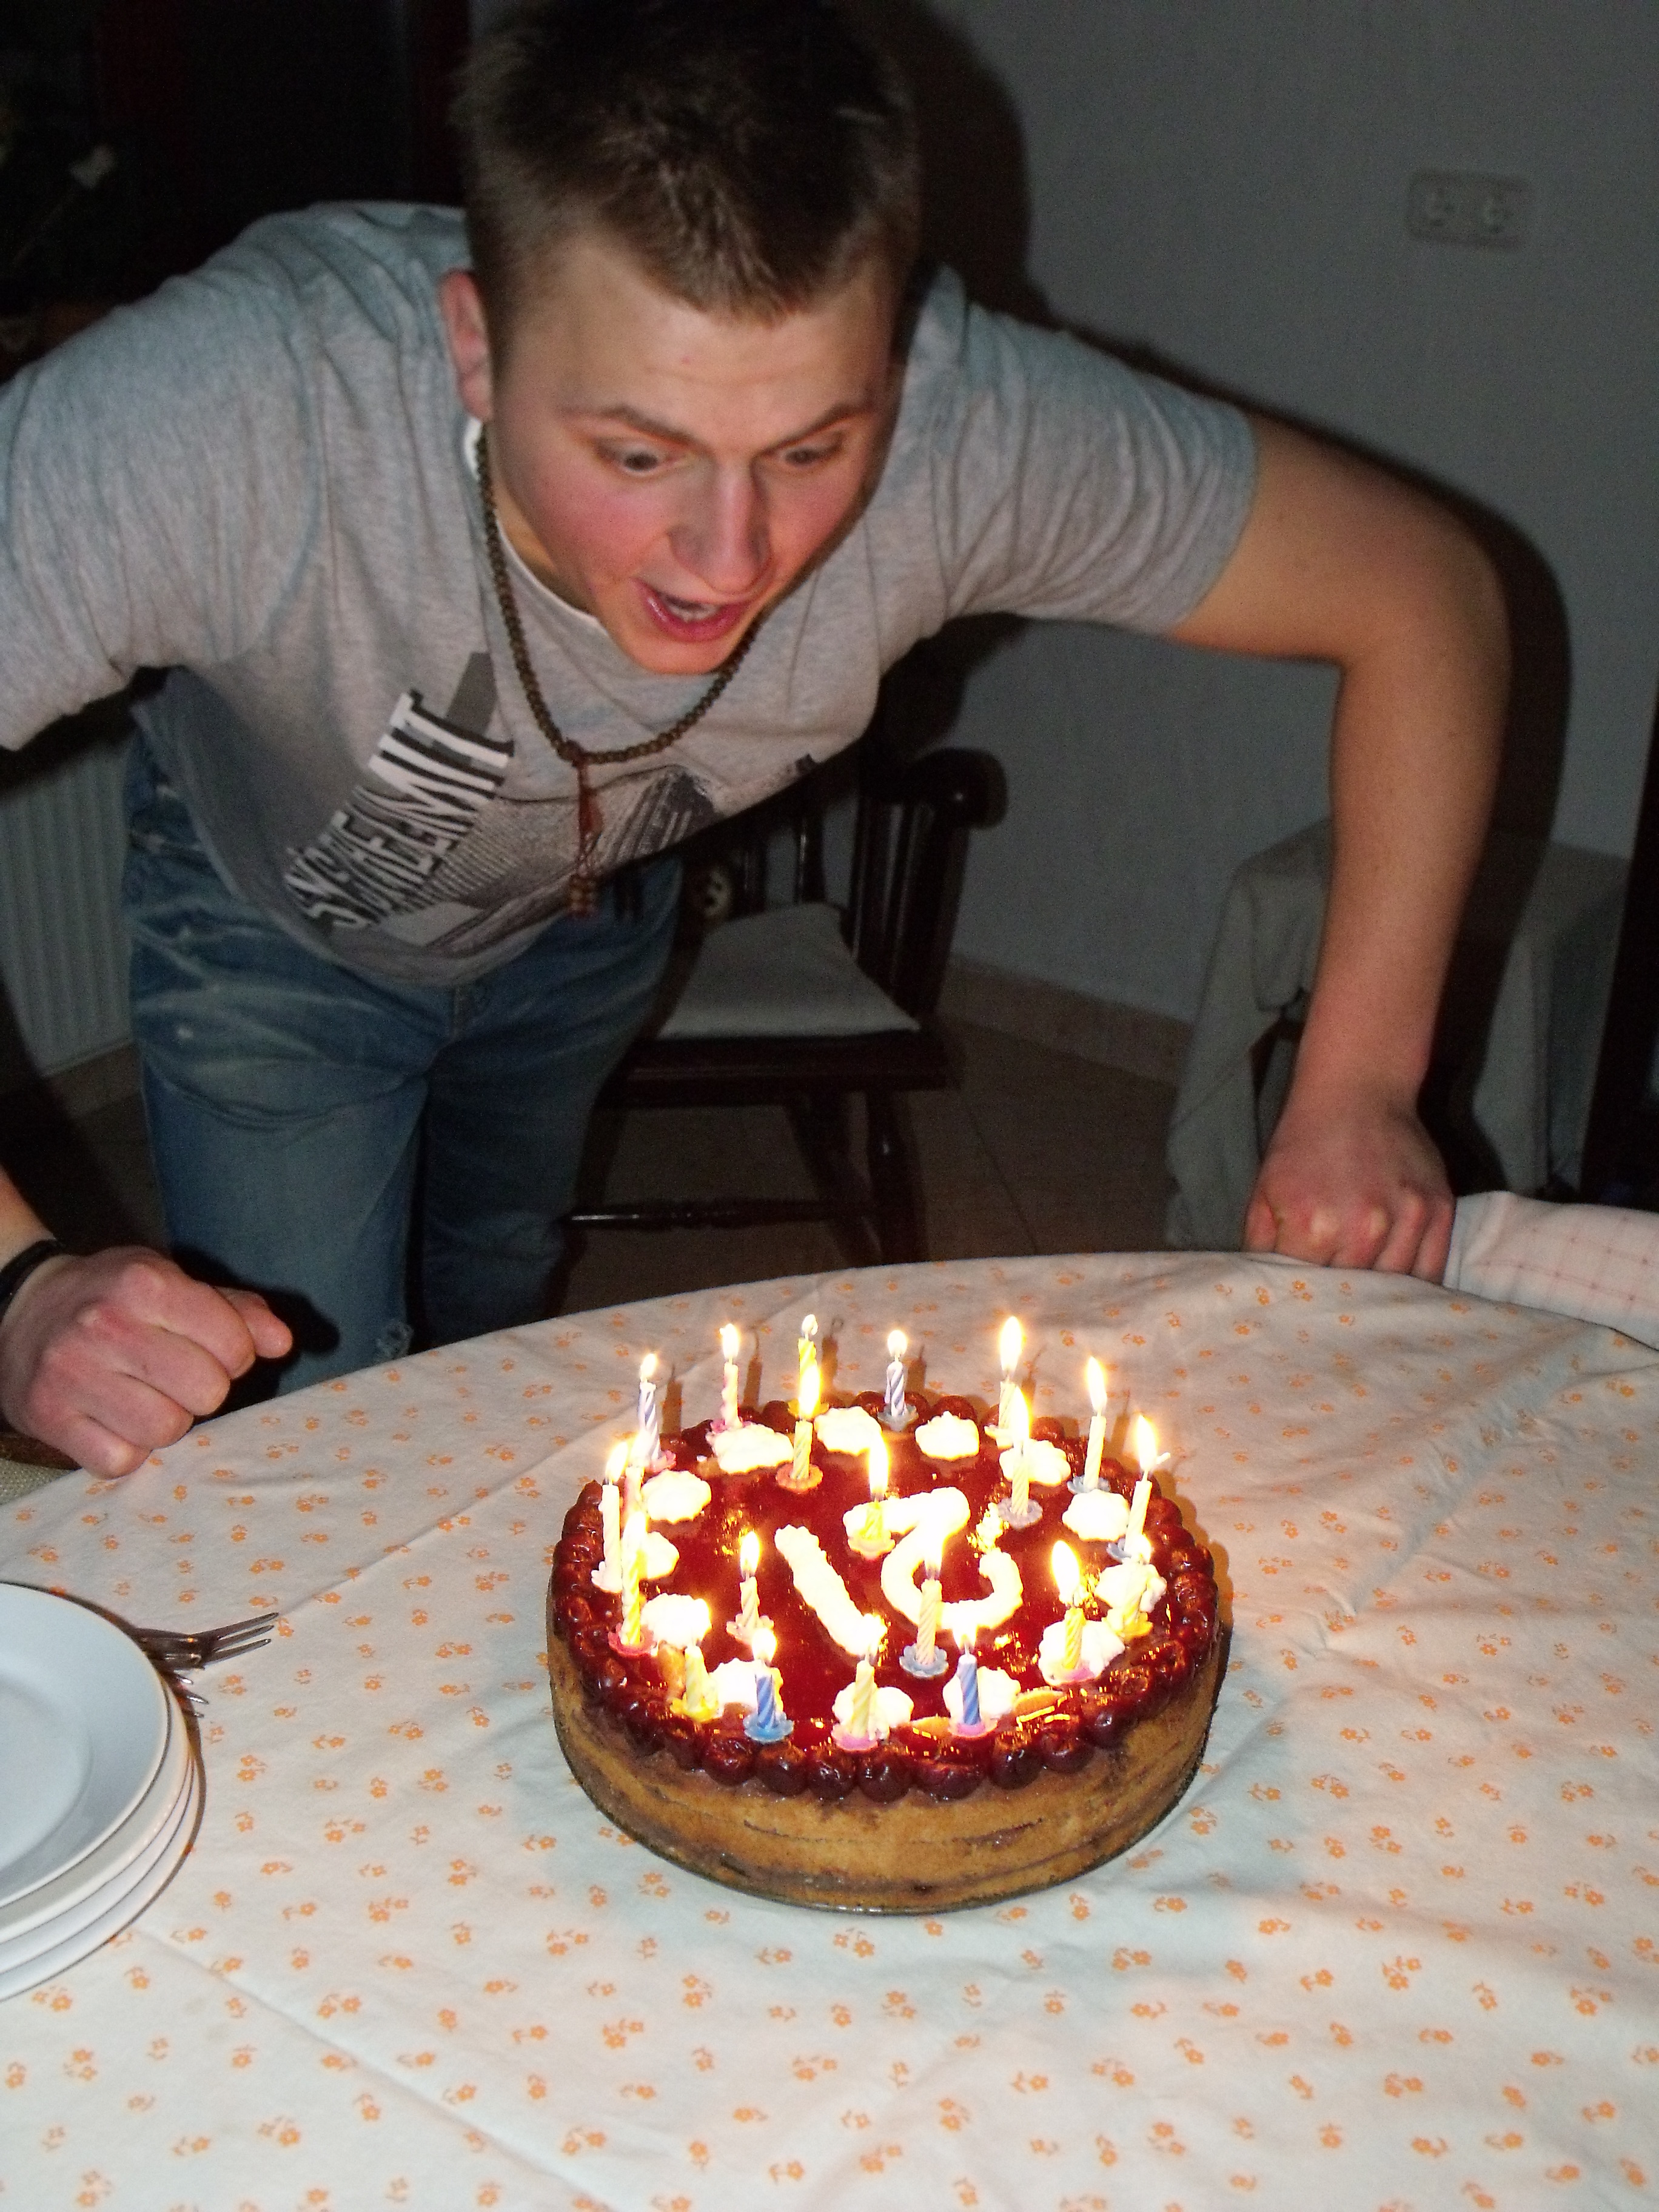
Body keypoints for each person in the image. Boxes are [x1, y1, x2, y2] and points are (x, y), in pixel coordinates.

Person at [0, 0, 1506, 1477]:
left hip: (584, 926)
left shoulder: (967, 428)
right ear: (474, 345)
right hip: (279, 930)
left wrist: (1361, 1086)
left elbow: (1422, 594)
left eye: (811, 448)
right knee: (308, 1437)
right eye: (639, 452)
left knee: (489, 1317)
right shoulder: (238, 414)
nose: (731, 555)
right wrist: (14, 1289)